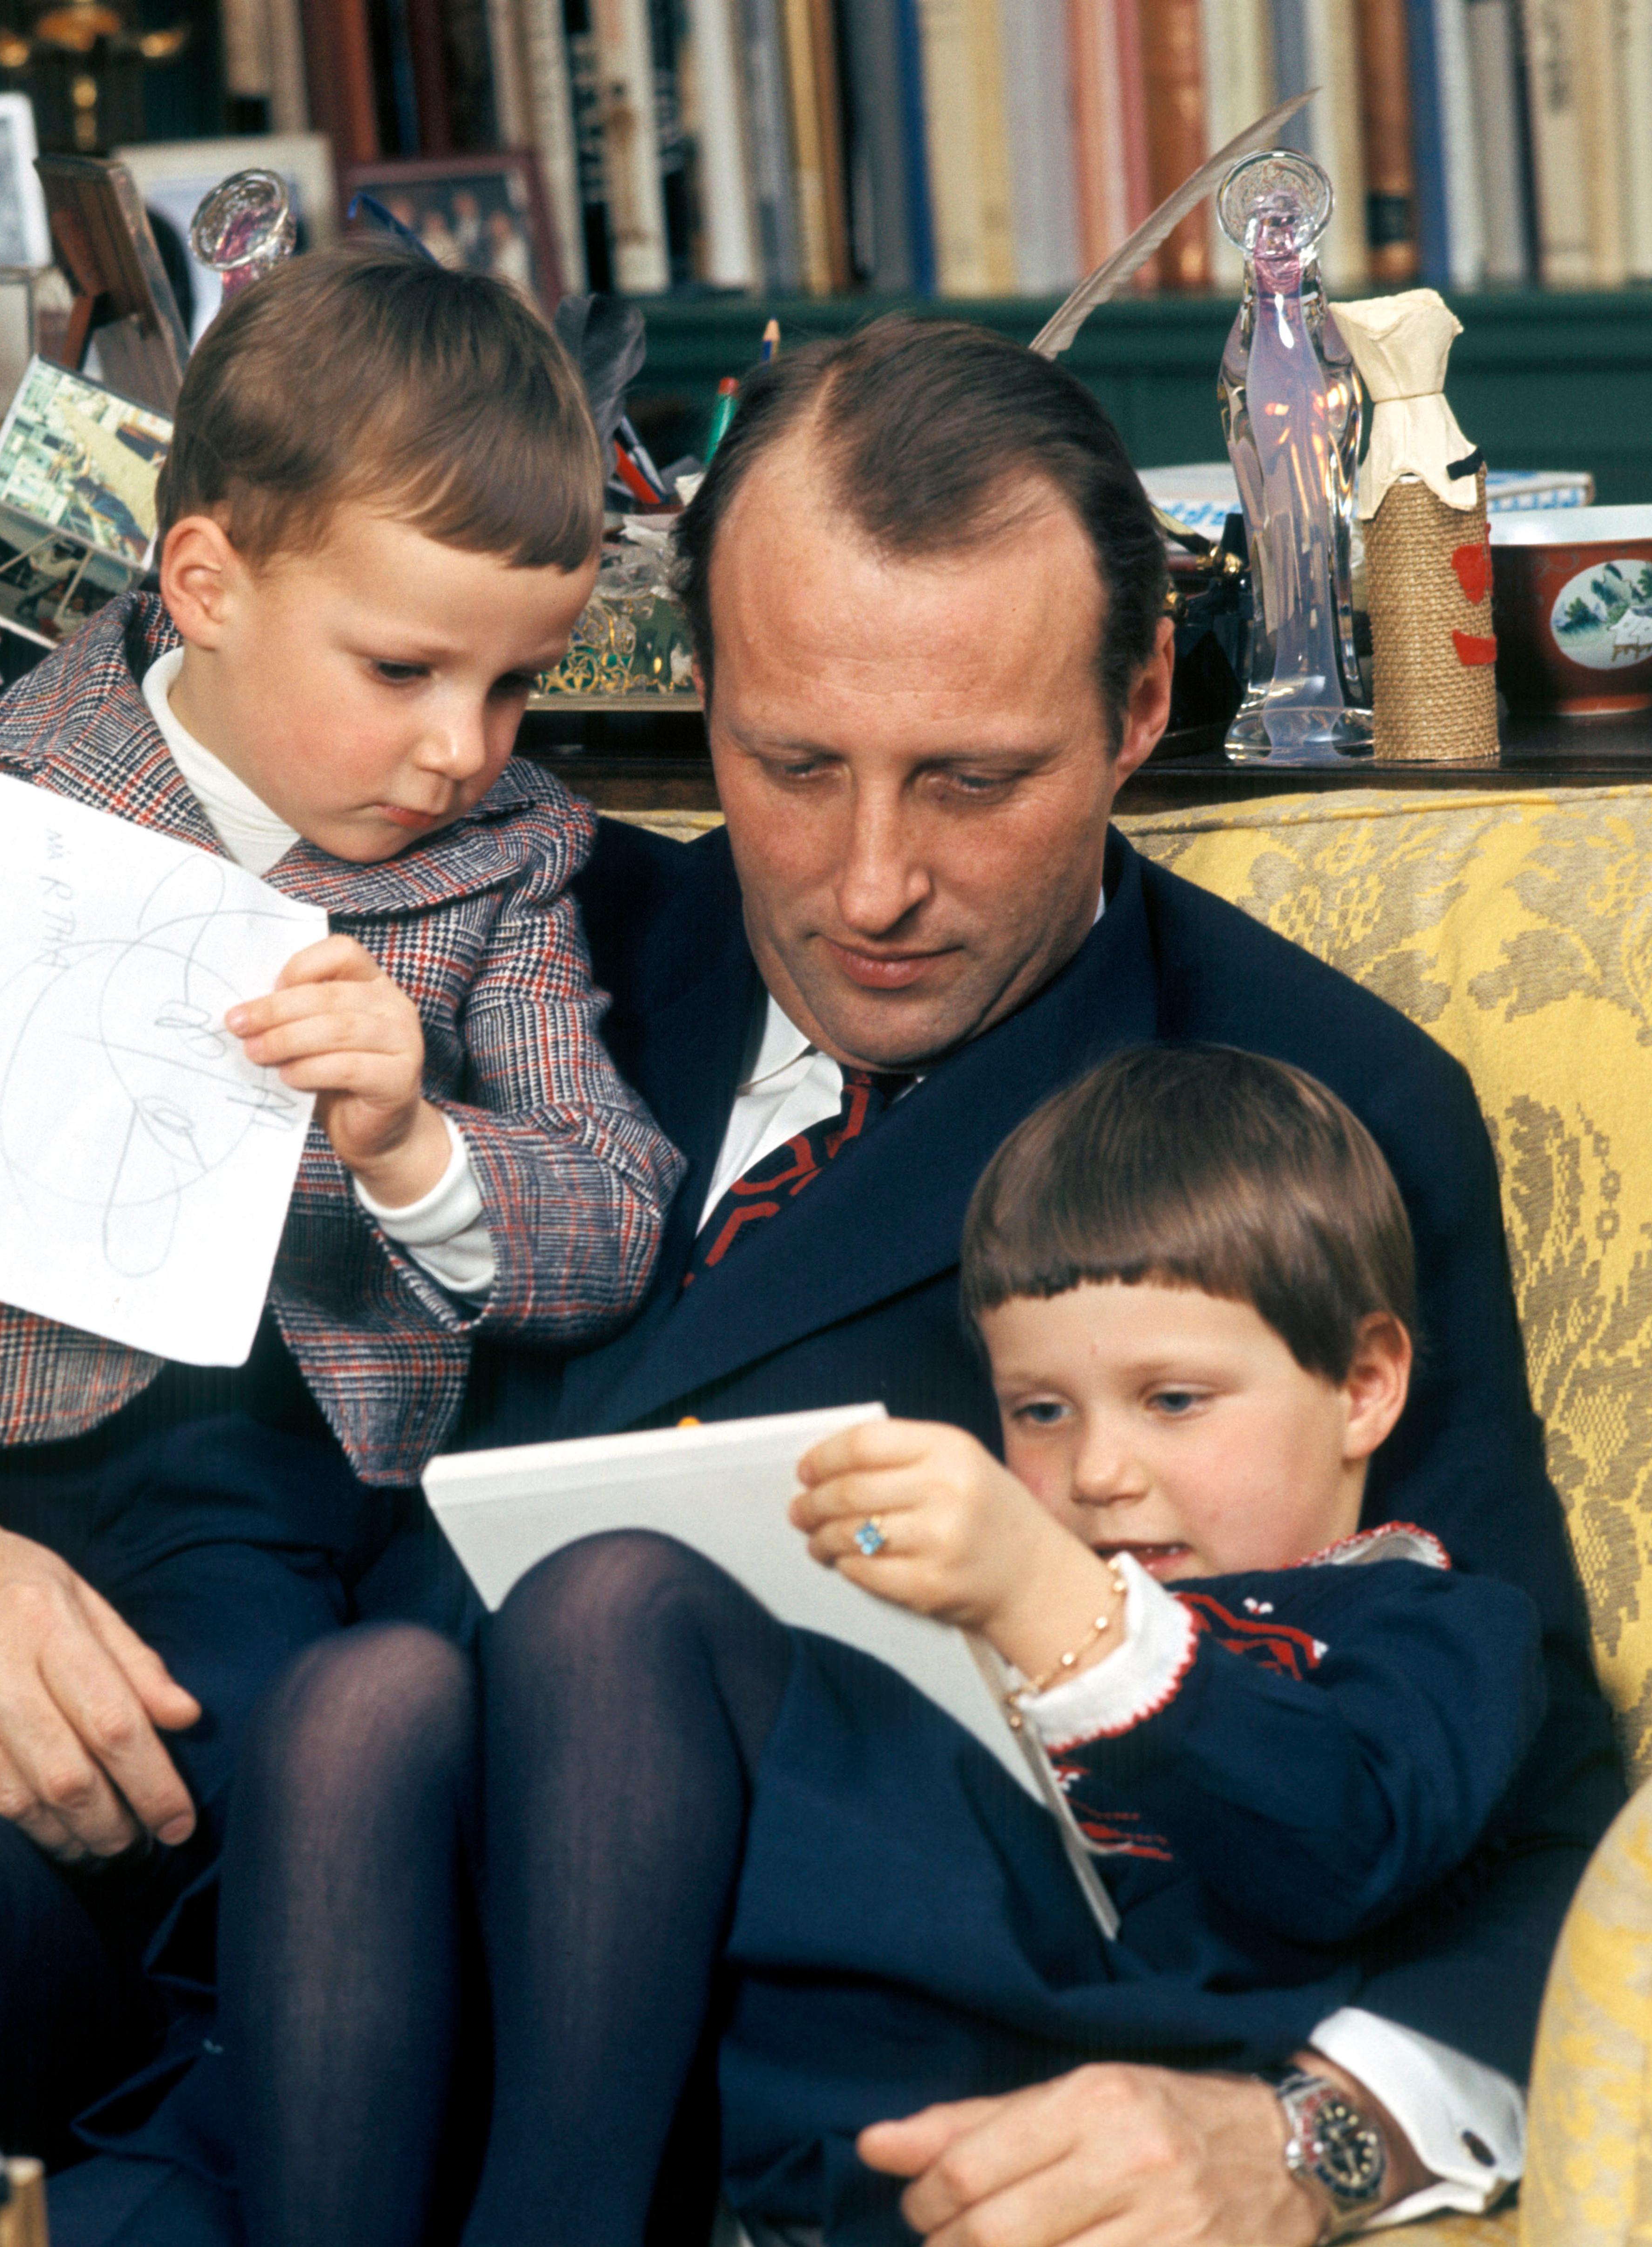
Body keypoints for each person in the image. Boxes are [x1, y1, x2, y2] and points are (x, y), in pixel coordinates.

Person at [445, 313, 1619, 2239]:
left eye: (974, 781)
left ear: (1143, 700)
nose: (870, 882)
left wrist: (1308, 2133)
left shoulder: (1308, 1103)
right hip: (285, 1941)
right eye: (792, 762)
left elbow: (1525, 1787)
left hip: (800, 2087)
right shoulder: (510, 929)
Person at [0, 239, 680, 2190]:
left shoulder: (502, 866)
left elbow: (613, 1207)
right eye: (403, 670)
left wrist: (417, 1143)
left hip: (284, 1492)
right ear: (208, 580)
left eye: (515, 683)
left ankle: (226, 2093)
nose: (461, 745)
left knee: (285, 1741)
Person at [449, 1045, 1554, 2247]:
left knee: (625, 1608)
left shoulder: (1435, 1625)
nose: (1099, 1474)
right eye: (1041, 1411)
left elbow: (1344, 1849)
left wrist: (1060, 1611)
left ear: (1363, 1386)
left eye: (1173, 1400)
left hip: (1070, 2089)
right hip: (800, 2088)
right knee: (574, 1621)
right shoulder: (988, 1610)